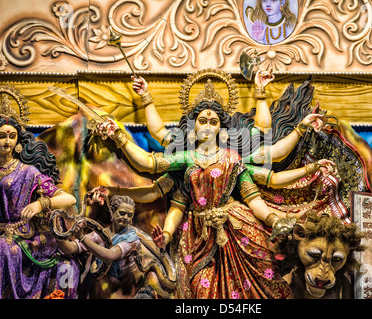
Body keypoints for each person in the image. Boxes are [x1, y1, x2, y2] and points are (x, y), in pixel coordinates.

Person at [92, 68, 336, 299]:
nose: (207, 126)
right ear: (193, 126)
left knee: (260, 281)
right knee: (199, 287)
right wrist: (120, 135)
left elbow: (258, 194)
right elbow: (152, 169)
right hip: (197, 235)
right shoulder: (186, 159)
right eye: (202, 121)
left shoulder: (234, 158)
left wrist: (275, 220)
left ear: (221, 128)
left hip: (238, 228)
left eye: (213, 122)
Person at [0, 91, 79, 299]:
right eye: (1, 135)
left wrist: (41, 204)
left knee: (0, 249)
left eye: (12, 136)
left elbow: (70, 199)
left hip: (28, 236)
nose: (7, 142)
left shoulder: (28, 172)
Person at [57, 194, 175, 299]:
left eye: (130, 215)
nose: (126, 218)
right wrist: (54, 229)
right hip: (106, 286)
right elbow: (68, 249)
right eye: (122, 213)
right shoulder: (99, 234)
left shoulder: (132, 238)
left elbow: (110, 255)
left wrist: (82, 237)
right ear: (112, 213)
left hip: (129, 288)